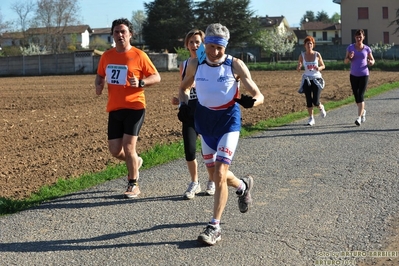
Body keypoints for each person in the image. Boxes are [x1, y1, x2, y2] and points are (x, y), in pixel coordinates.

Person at [178, 23, 264, 245]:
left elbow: (258, 95)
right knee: (215, 175)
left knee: (220, 171)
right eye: (212, 46)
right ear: (205, 44)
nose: (215, 52)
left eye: (220, 48)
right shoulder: (195, 64)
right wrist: (183, 105)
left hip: (228, 122)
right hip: (205, 124)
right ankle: (243, 186)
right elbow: (184, 88)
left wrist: (251, 103)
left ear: (225, 47)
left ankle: (214, 226)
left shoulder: (235, 64)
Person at [95, 18, 161, 198]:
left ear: (130, 34)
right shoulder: (106, 56)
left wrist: (141, 82)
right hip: (115, 108)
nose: (120, 35)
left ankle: (133, 184)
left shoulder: (139, 55)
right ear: (112, 35)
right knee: (115, 150)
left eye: (123, 31)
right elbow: (100, 75)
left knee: (129, 146)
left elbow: (156, 77)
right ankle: (136, 162)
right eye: (116, 32)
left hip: (135, 107)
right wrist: (99, 85)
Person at [172, 29, 215, 199]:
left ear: (203, 44)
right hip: (190, 109)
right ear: (186, 44)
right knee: (189, 150)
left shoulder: (209, 62)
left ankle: (211, 181)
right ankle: (194, 182)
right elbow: (182, 87)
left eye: (198, 42)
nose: (194, 45)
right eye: (191, 42)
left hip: (205, 109)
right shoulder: (183, 65)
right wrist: (180, 102)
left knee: (208, 150)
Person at [344, 29, 375, 126]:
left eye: (360, 37)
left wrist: (371, 62)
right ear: (355, 37)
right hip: (353, 75)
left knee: (361, 95)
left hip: (364, 74)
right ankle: (363, 111)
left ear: (363, 38)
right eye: (357, 37)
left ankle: (359, 118)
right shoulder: (350, 48)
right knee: (356, 97)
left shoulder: (367, 49)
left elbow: (372, 60)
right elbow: (345, 61)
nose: (358, 39)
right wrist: (350, 57)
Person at [297, 36, 326, 126]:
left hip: (316, 79)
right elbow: (299, 65)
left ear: (313, 45)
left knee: (315, 101)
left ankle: (320, 106)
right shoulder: (302, 55)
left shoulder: (317, 54)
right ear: (304, 45)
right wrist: (299, 67)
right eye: (307, 43)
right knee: (308, 100)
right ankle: (311, 118)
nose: (309, 45)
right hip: (307, 79)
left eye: (311, 43)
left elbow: (323, 65)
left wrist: (319, 68)